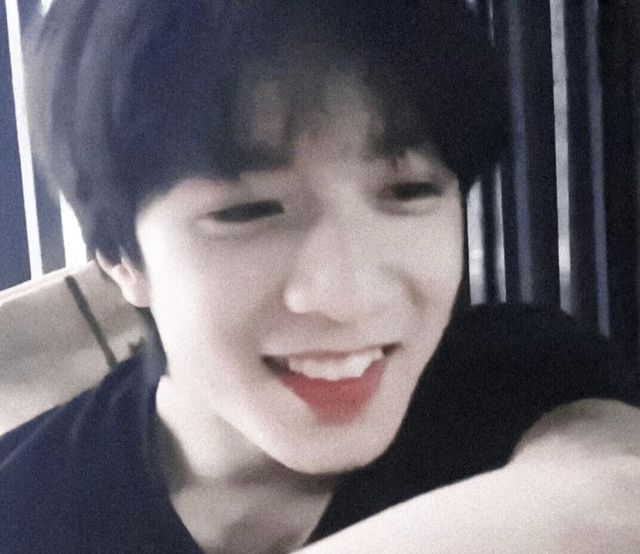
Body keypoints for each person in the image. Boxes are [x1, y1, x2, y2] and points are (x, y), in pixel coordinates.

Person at [1, 1, 639, 552]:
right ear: (122, 259)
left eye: (410, 191)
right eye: (248, 211)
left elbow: (614, 495)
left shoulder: (516, 382)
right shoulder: (26, 511)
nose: (348, 297)